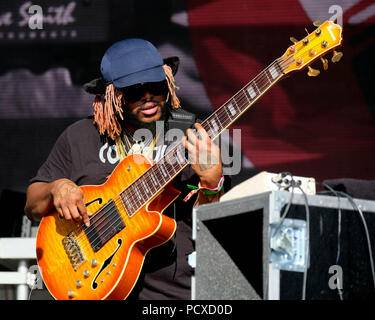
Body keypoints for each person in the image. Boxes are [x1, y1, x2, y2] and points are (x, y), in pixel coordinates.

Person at [24, 38, 229, 300]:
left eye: (156, 87)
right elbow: (32, 206)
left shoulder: (193, 137)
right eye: (134, 92)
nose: (148, 97)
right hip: (92, 283)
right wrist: (56, 188)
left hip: (170, 295)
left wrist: (212, 185)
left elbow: (216, 227)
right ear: (111, 96)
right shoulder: (79, 136)